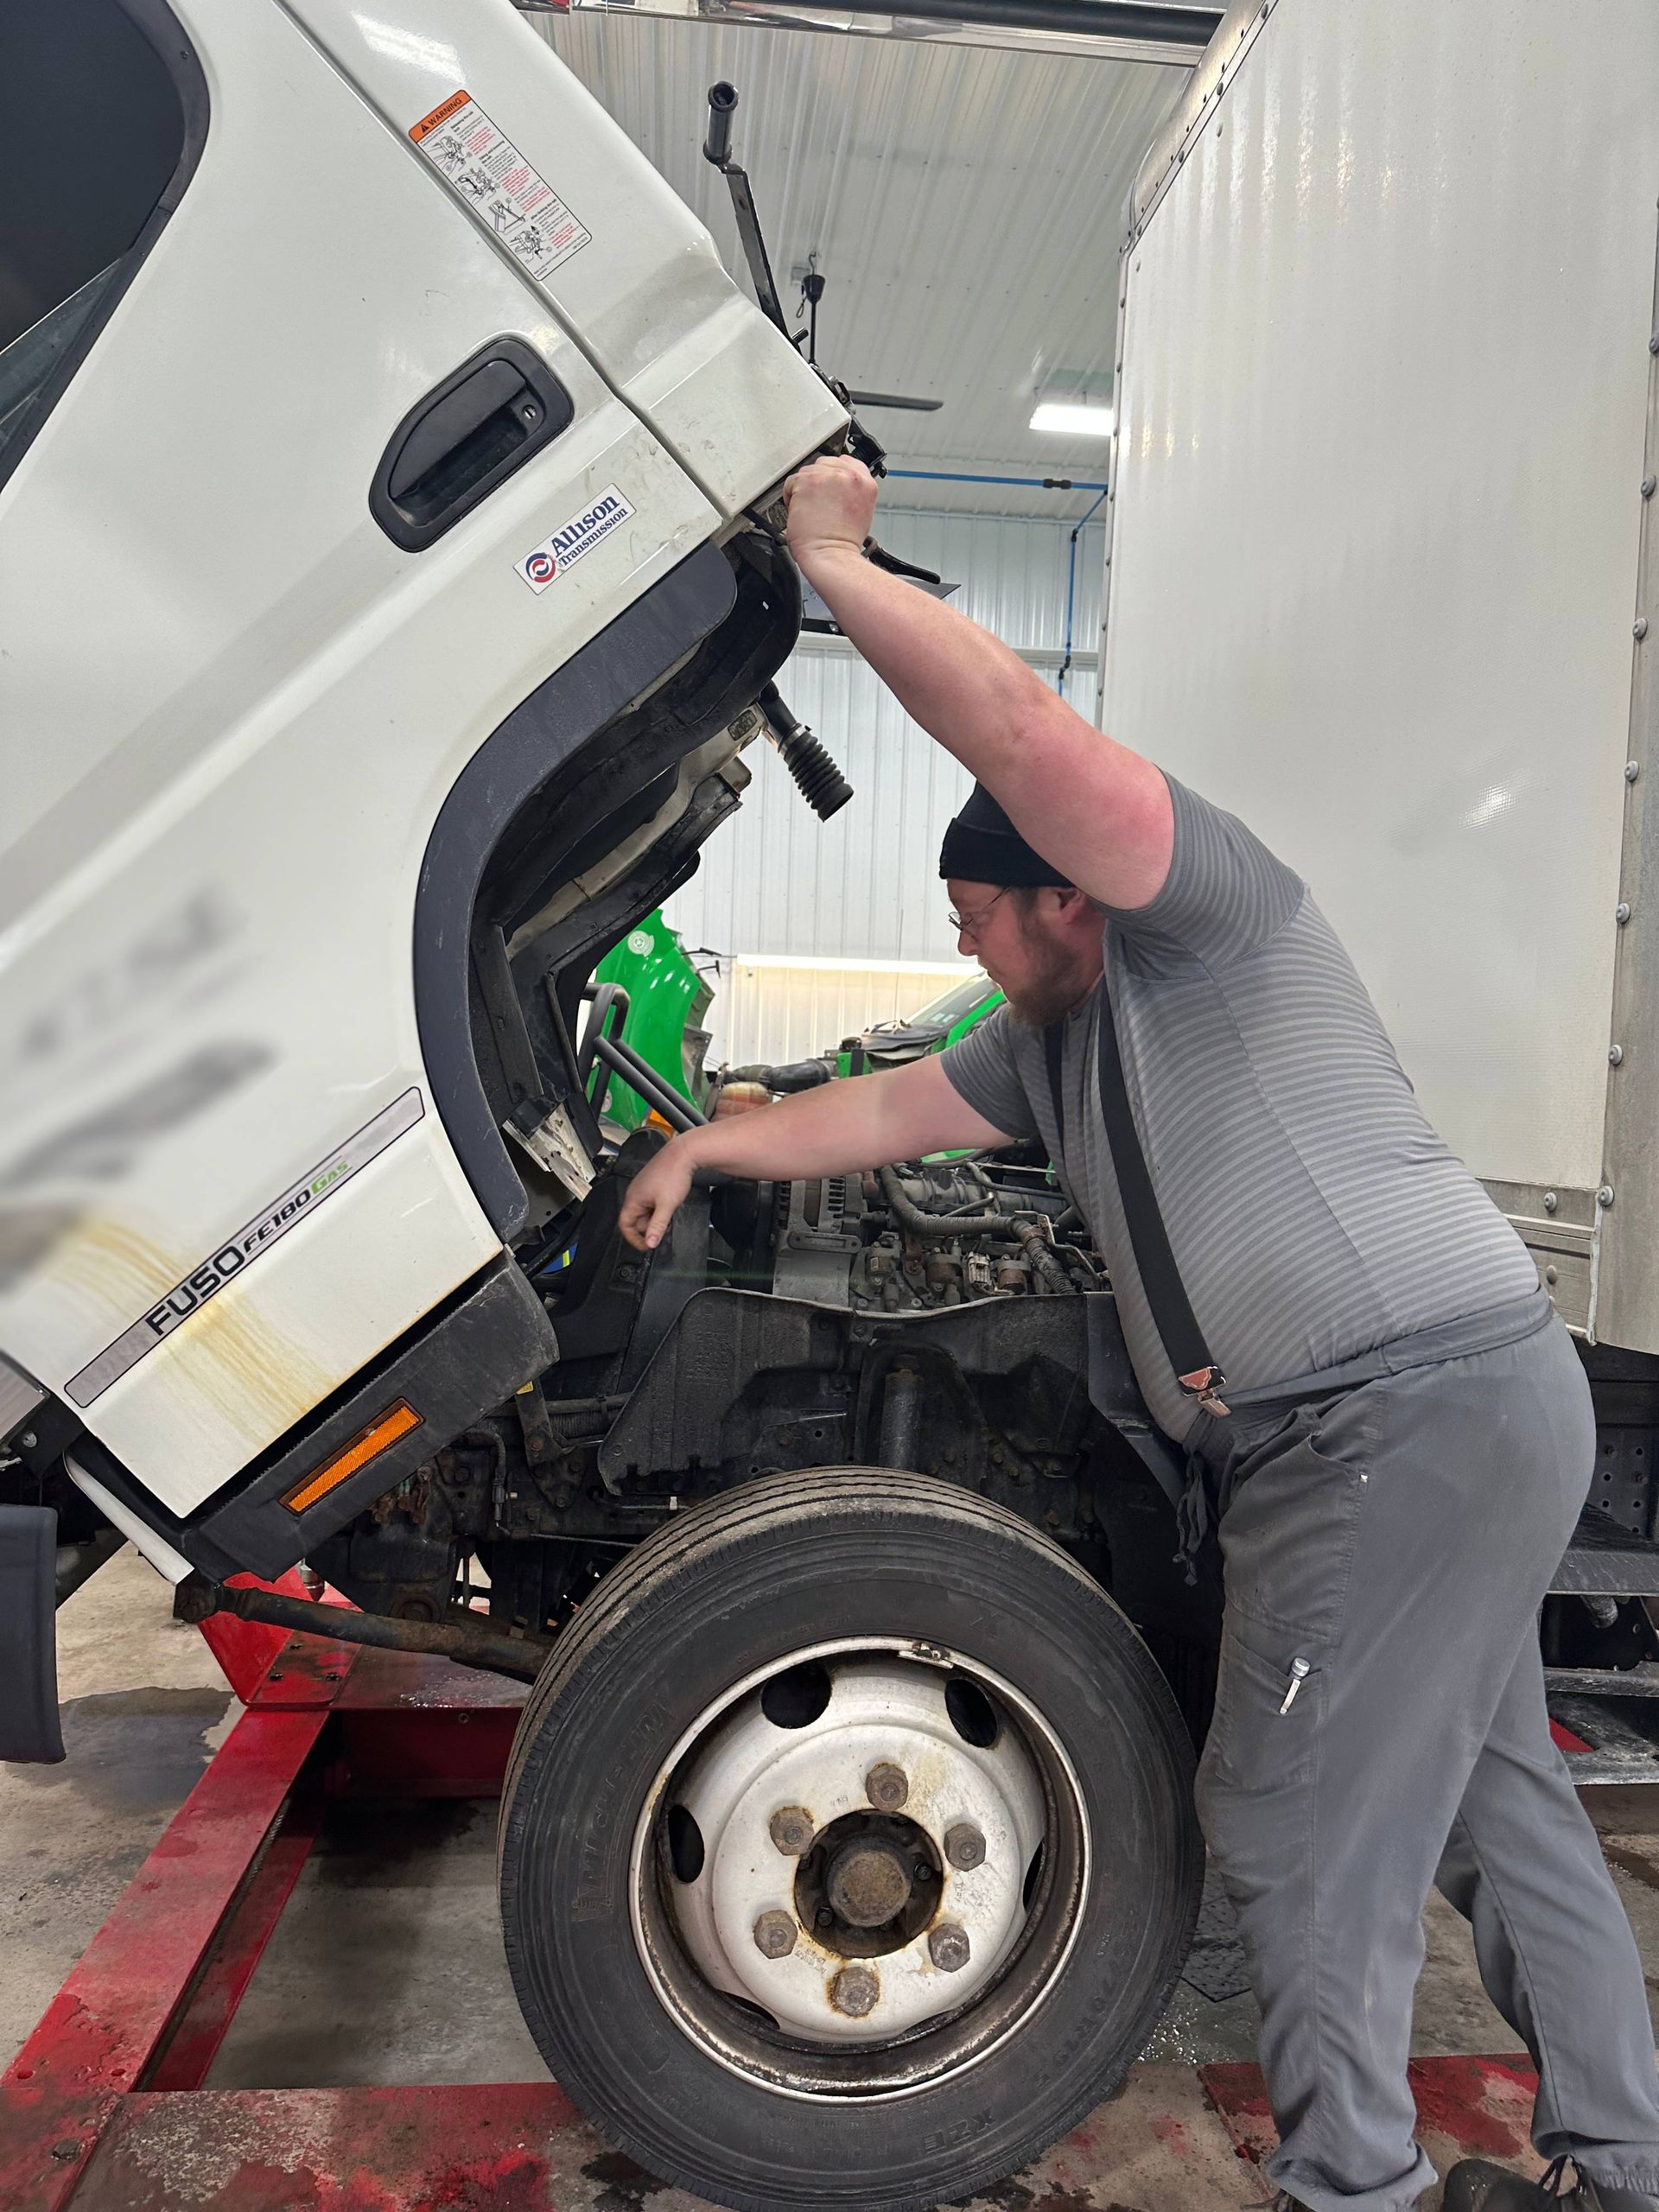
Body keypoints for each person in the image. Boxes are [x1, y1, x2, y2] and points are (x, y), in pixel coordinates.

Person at [617, 454, 1659, 2212]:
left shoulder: (1211, 913)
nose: (964, 945)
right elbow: (876, 1120)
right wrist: (711, 1135)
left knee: (1287, 1814)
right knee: (1491, 1797)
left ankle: (1358, 2181)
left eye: (973, 918)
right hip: (1432, 1414)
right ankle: (1621, 2157)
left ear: (1064, 896)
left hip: (1394, 1416)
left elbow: (1019, 731)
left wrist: (828, 563)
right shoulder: (1046, 1042)